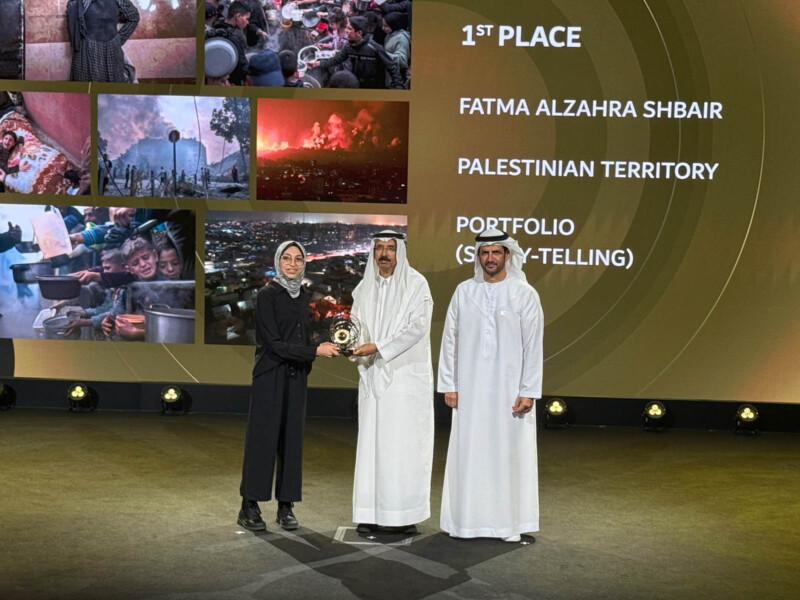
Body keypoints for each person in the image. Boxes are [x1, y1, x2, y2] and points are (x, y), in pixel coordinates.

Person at [438, 228, 544, 543]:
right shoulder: (463, 291)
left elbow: (533, 346)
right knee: (469, 454)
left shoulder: (524, 293)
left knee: (509, 454)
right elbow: (449, 341)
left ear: (507, 256)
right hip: (469, 391)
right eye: (485, 253)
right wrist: (449, 384)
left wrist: (529, 390)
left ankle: (509, 525)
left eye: (496, 252)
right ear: (478, 257)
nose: (490, 258)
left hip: (510, 393)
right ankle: (466, 524)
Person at [238, 241, 339, 532]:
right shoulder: (267, 295)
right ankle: (249, 506)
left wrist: (319, 349)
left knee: (292, 442)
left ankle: (286, 506)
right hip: (270, 374)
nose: (292, 264)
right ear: (277, 261)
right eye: (287, 258)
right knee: (263, 440)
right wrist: (315, 351)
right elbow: (274, 343)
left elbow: (302, 337)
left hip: (296, 375)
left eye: (298, 259)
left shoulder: (302, 295)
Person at [349, 230, 434, 534]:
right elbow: (355, 327)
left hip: (404, 380)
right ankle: (369, 513)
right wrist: (353, 345)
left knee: (403, 447)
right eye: (379, 249)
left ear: (400, 253)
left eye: (390, 249)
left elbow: (417, 329)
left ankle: (403, 515)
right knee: (371, 446)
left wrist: (379, 347)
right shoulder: (363, 289)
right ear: (373, 253)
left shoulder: (416, 285)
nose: (384, 254)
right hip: (372, 377)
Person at [307, 16, 403, 89]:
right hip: (358, 86)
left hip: (375, 88)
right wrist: (317, 63)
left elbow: (392, 67)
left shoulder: (375, 48)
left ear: (359, 33)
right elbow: (336, 59)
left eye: (349, 29)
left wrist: (398, 88)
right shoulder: (349, 46)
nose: (346, 31)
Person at [66, 0, 140, 83]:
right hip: (87, 49)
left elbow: (133, 17)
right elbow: (71, 12)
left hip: (112, 49)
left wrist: (118, 39)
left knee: (113, 89)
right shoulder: (80, 2)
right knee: (86, 89)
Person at [208, 1, 251, 86]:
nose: (247, 22)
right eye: (247, 19)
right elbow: (242, 68)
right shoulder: (233, 38)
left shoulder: (215, 27)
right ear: (238, 16)